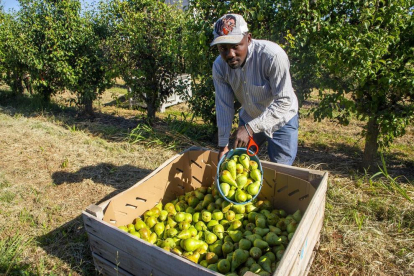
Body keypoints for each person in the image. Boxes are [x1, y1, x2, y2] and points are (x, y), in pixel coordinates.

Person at [211, 13, 299, 165]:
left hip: (281, 118)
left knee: (280, 170)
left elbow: (284, 101)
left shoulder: (272, 56)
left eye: (235, 46)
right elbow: (223, 106)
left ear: (249, 39)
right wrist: (223, 145)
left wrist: (250, 128)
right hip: (250, 115)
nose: (230, 54)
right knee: (240, 165)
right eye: (223, 48)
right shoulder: (220, 66)